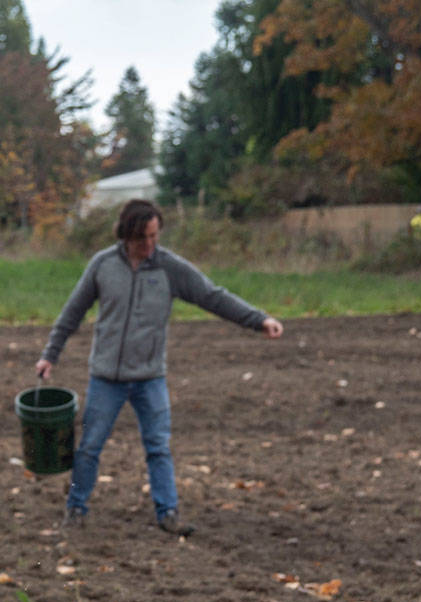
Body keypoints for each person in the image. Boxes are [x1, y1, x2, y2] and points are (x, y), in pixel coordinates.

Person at [35, 199, 282, 534]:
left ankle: (168, 513)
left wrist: (259, 320)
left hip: (150, 377)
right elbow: (72, 312)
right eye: (141, 239)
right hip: (106, 377)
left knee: (158, 447)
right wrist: (50, 354)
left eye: (154, 237)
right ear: (125, 236)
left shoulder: (170, 268)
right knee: (90, 447)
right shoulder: (103, 265)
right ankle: (76, 509)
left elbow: (214, 296)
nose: (149, 246)